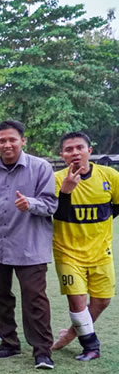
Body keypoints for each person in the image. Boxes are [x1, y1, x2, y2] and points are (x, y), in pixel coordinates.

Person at [0, 120, 57, 368]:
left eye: (12, 139)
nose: (7, 144)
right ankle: (9, 343)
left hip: (29, 245)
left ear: (22, 141)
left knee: (34, 299)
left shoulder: (40, 168)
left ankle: (42, 351)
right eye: (2, 140)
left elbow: (51, 204)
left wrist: (31, 203)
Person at [50, 132, 119, 361]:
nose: (75, 152)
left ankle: (69, 334)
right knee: (77, 301)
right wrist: (67, 191)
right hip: (67, 252)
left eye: (80, 147)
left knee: (102, 301)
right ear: (62, 155)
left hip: (101, 252)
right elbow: (55, 214)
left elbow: (115, 207)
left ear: (89, 151)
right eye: (69, 149)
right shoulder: (56, 179)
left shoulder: (110, 175)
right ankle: (91, 347)